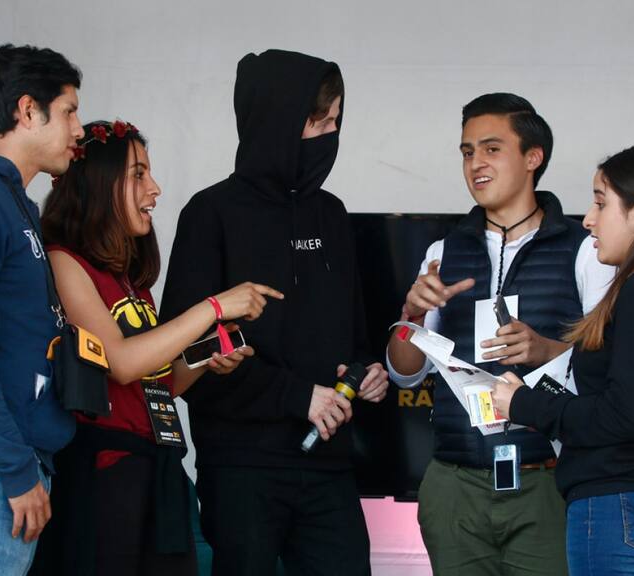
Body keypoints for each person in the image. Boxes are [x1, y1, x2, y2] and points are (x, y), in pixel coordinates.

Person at [161, 49, 389, 576]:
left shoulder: (331, 214)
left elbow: (353, 337)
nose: (330, 135)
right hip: (242, 466)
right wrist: (297, 396)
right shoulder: (210, 213)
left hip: (329, 464)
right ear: (277, 119)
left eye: (336, 122)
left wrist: (364, 373)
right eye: (318, 121)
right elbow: (185, 359)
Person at [27, 120, 283, 576]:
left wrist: (208, 355)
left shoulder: (129, 278)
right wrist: (212, 307)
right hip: (103, 473)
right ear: (100, 184)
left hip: (158, 470)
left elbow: (161, 384)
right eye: (138, 174)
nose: (155, 189)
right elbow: (121, 364)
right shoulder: (65, 263)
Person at [386, 93, 615, 576]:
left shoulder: (585, 250)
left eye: (492, 149)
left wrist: (547, 350)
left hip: (546, 480)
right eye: (467, 152)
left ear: (533, 158)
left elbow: (609, 370)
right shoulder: (444, 250)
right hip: (455, 483)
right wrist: (411, 315)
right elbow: (406, 375)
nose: (476, 164)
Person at [492, 144, 634, 576]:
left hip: (621, 504)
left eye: (600, 203)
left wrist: (524, 404)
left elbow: (623, 413)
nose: (588, 220)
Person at [0, 44, 83, 575]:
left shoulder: (8, 201)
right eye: (69, 111)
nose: (78, 130)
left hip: (1, 465)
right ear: (28, 110)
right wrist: (14, 466)